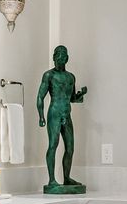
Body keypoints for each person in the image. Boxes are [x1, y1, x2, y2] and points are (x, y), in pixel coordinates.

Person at [35, 45, 88, 194]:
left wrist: (80, 95)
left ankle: (66, 177)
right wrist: (41, 116)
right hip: (54, 113)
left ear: (67, 58)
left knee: (70, 147)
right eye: (58, 55)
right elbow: (40, 96)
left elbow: (72, 99)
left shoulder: (71, 77)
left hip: (67, 113)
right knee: (53, 145)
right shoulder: (49, 75)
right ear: (54, 57)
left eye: (63, 55)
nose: (61, 57)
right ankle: (52, 180)